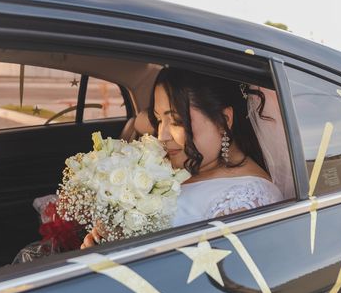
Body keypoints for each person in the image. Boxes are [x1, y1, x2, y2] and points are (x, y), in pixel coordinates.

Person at [80, 67, 283, 248]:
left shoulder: (244, 202)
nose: (162, 136)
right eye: (159, 120)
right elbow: (141, 122)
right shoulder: (185, 166)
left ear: (223, 120)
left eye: (177, 121)